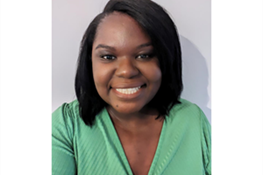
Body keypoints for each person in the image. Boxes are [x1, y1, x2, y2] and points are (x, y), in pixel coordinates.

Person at [52, 0, 211, 174]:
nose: (127, 71)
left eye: (144, 55)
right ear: (90, 62)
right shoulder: (67, 127)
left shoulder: (193, 121)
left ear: (166, 60)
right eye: (108, 57)